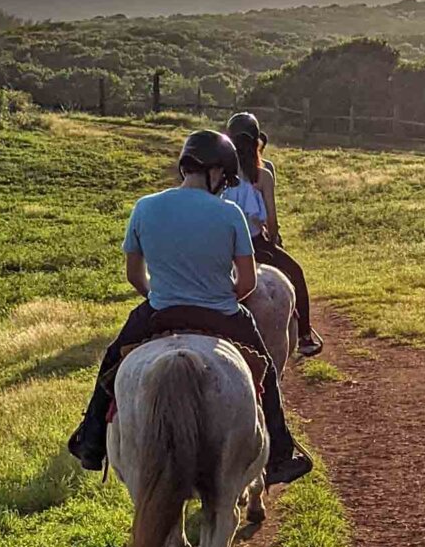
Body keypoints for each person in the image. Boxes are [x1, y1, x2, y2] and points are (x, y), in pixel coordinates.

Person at [67, 129, 313, 481]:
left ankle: (90, 441)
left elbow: (135, 276)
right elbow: (247, 283)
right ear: (215, 173)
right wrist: (218, 296)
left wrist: (163, 293)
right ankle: (279, 455)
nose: (224, 186)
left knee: (112, 359)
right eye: (225, 179)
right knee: (267, 372)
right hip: (222, 313)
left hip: (160, 309)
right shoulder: (230, 214)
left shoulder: (145, 206)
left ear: (187, 166)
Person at [226, 110, 324, 356]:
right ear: (257, 139)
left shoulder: (219, 173)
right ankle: (304, 335)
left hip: (224, 246)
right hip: (257, 245)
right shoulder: (264, 174)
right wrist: (273, 235)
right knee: (296, 274)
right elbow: (272, 219)